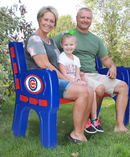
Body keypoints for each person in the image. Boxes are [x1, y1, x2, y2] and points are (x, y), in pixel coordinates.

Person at [24, 6, 95, 143]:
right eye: (46, 19)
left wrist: (77, 75)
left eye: (52, 21)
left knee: (90, 91)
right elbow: (44, 64)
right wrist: (71, 80)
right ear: (39, 19)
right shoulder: (34, 39)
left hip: (54, 79)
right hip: (42, 82)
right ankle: (78, 134)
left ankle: (78, 132)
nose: (48, 23)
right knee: (82, 92)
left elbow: (60, 63)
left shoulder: (50, 42)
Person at [53, 7, 129, 132]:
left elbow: (105, 58)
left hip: (94, 74)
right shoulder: (68, 35)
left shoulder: (95, 39)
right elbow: (50, 46)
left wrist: (112, 66)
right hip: (79, 75)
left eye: (88, 18)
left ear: (91, 20)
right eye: (82, 17)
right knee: (99, 89)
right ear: (76, 18)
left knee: (123, 86)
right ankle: (88, 121)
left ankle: (119, 126)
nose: (85, 20)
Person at [58, 30, 104, 133]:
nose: (69, 47)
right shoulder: (61, 57)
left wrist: (79, 80)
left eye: (71, 44)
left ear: (75, 45)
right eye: (66, 45)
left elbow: (77, 73)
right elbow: (64, 75)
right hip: (67, 82)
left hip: (76, 82)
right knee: (86, 92)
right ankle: (86, 121)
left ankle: (94, 120)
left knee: (92, 92)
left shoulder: (76, 59)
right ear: (61, 45)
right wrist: (76, 82)